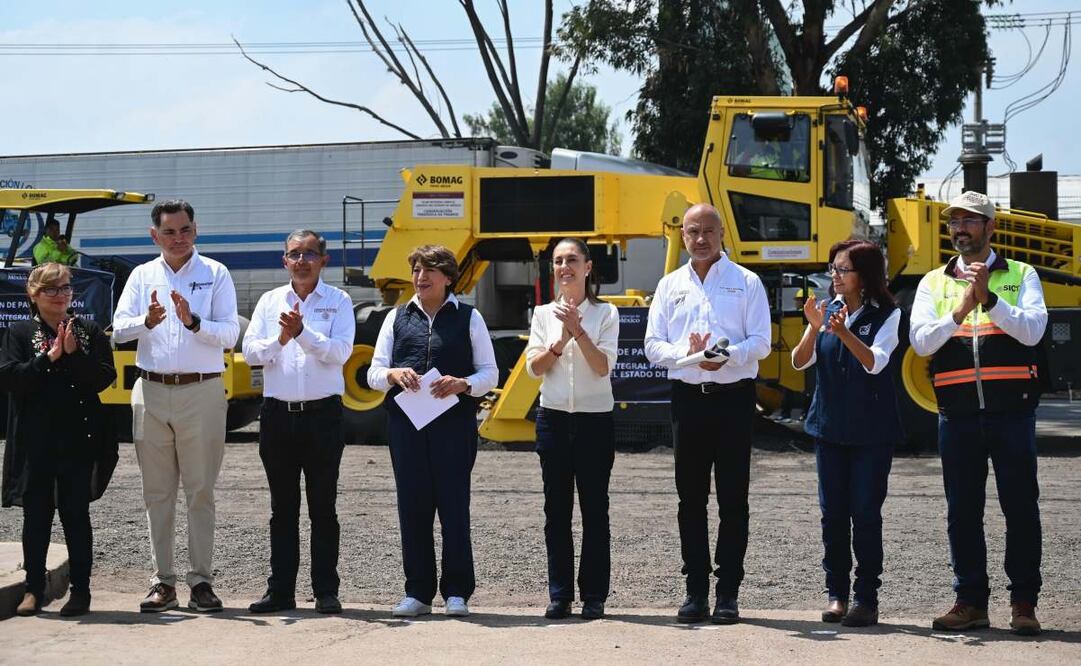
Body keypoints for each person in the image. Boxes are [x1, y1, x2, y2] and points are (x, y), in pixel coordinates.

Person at [910, 191, 1047, 636]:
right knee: (962, 512)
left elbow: (1032, 332)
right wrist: (963, 307)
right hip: (958, 414)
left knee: (1021, 509)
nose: (961, 229)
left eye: (971, 221)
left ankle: (1023, 603)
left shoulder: (1022, 274)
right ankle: (970, 602)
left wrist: (991, 299)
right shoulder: (933, 282)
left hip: (1012, 414)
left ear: (991, 228)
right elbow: (921, 343)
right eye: (956, 222)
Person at [644, 203, 771, 624]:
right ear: (683, 236)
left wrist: (727, 355)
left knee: (734, 499)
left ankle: (728, 593)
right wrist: (690, 355)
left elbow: (761, 342)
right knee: (690, 499)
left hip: (734, 399)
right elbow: (653, 346)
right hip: (688, 401)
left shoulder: (747, 282)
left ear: (722, 235)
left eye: (708, 231)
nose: (700, 239)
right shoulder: (669, 285)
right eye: (693, 231)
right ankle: (695, 591)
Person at [112, 199, 239, 613]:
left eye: (185, 230)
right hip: (151, 390)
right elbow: (118, 332)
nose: (178, 238)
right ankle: (162, 582)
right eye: (169, 232)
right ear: (155, 236)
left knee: (200, 491)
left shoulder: (215, 273)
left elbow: (230, 334)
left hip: (201, 392)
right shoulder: (141, 275)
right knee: (157, 493)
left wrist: (193, 323)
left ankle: (201, 581)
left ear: (195, 231)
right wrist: (146, 321)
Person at [367, 245, 498, 619]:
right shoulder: (396, 318)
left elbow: (490, 373)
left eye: (429, 271)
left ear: (448, 277)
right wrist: (392, 374)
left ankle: (457, 592)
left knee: (454, 507)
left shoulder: (470, 318)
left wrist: (463, 383)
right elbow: (373, 374)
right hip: (406, 427)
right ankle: (418, 593)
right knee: (413, 507)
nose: (420, 278)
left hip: (453, 428)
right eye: (416, 271)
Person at [243, 230, 355, 615]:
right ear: (284, 261)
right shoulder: (270, 301)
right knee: (282, 509)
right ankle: (281, 591)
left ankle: (326, 590)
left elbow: (340, 353)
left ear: (324, 260)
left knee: (323, 508)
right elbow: (251, 354)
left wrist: (303, 333)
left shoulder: (338, 301)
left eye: (310, 253)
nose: (302, 260)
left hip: (323, 416)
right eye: (295, 254)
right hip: (278, 416)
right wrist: (282, 339)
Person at [791, 240, 902, 628]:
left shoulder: (888, 314)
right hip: (829, 428)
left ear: (864, 275)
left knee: (865, 514)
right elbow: (799, 360)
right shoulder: (829, 310)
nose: (835, 276)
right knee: (832, 515)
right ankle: (836, 594)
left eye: (843, 270)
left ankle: (866, 598)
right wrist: (813, 327)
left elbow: (875, 363)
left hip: (872, 432)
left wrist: (843, 334)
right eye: (833, 269)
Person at [0, 263, 117, 616]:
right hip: (36, 440)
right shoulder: (19, 332)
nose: (61, 295)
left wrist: (74, 354)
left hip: (78, 438)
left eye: (66, 287)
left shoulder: (87, 330)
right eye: (52, 289)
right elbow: (10, 377)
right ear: (34, 294)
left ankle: (81, 592)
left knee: (75, 515)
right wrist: (48, 358)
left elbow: (103, 377)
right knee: (36, 516)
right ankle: (33, 588)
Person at [524, 238, 620, 620]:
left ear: (588, 267)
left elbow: (602, 367)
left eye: (572, 260)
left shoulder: (606, 313)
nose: (565, 267)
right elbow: (536, 367)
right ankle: (560, 594)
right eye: (559, 261)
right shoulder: (542, 314)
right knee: (556, 511)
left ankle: (594, 595)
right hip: (554, 420)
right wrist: (561, 338)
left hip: (595, 420)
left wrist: (579, 331)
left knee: (595, 510)